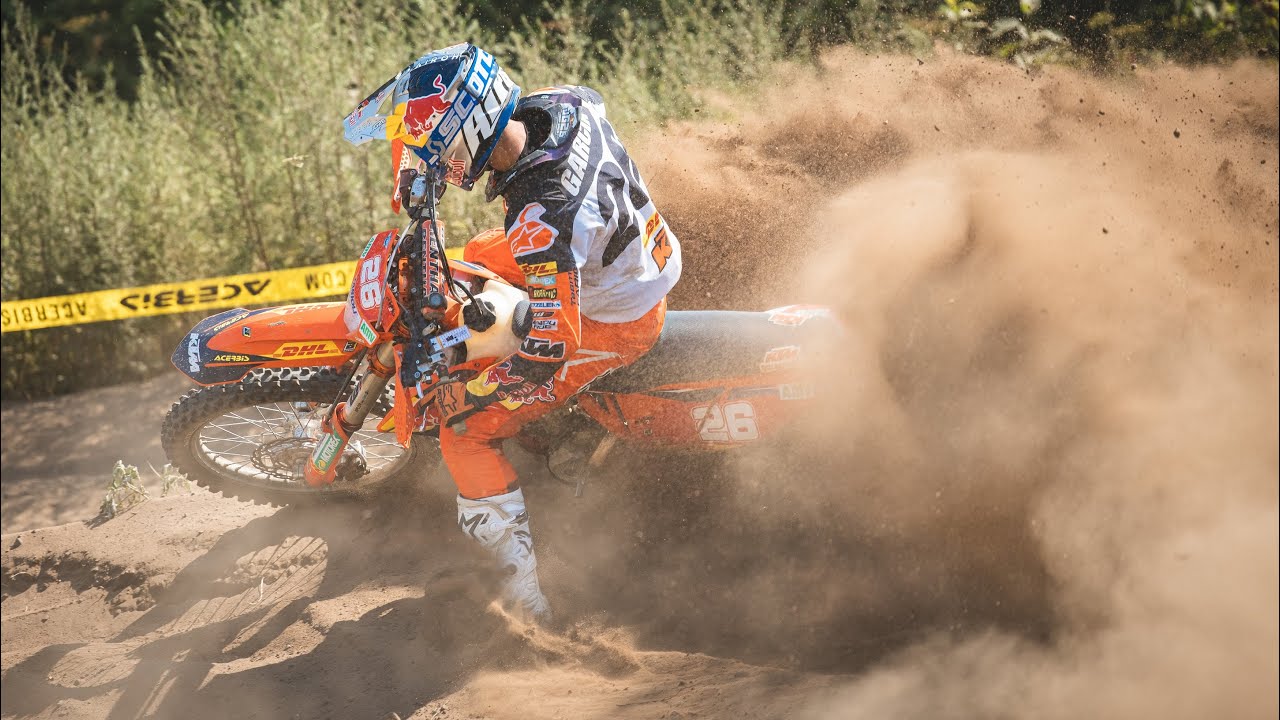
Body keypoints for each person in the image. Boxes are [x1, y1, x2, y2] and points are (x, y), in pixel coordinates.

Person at [343, 43, 681, 622]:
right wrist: (418, 172)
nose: (431, 156)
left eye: (435, 146)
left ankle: (524, 604)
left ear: (468, 132)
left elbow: (551, 346)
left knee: (462, 430)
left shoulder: (538, 219)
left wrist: (471, 391)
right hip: (626, 252)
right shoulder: (559, 104)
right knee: (478, 253)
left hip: (618, 319)